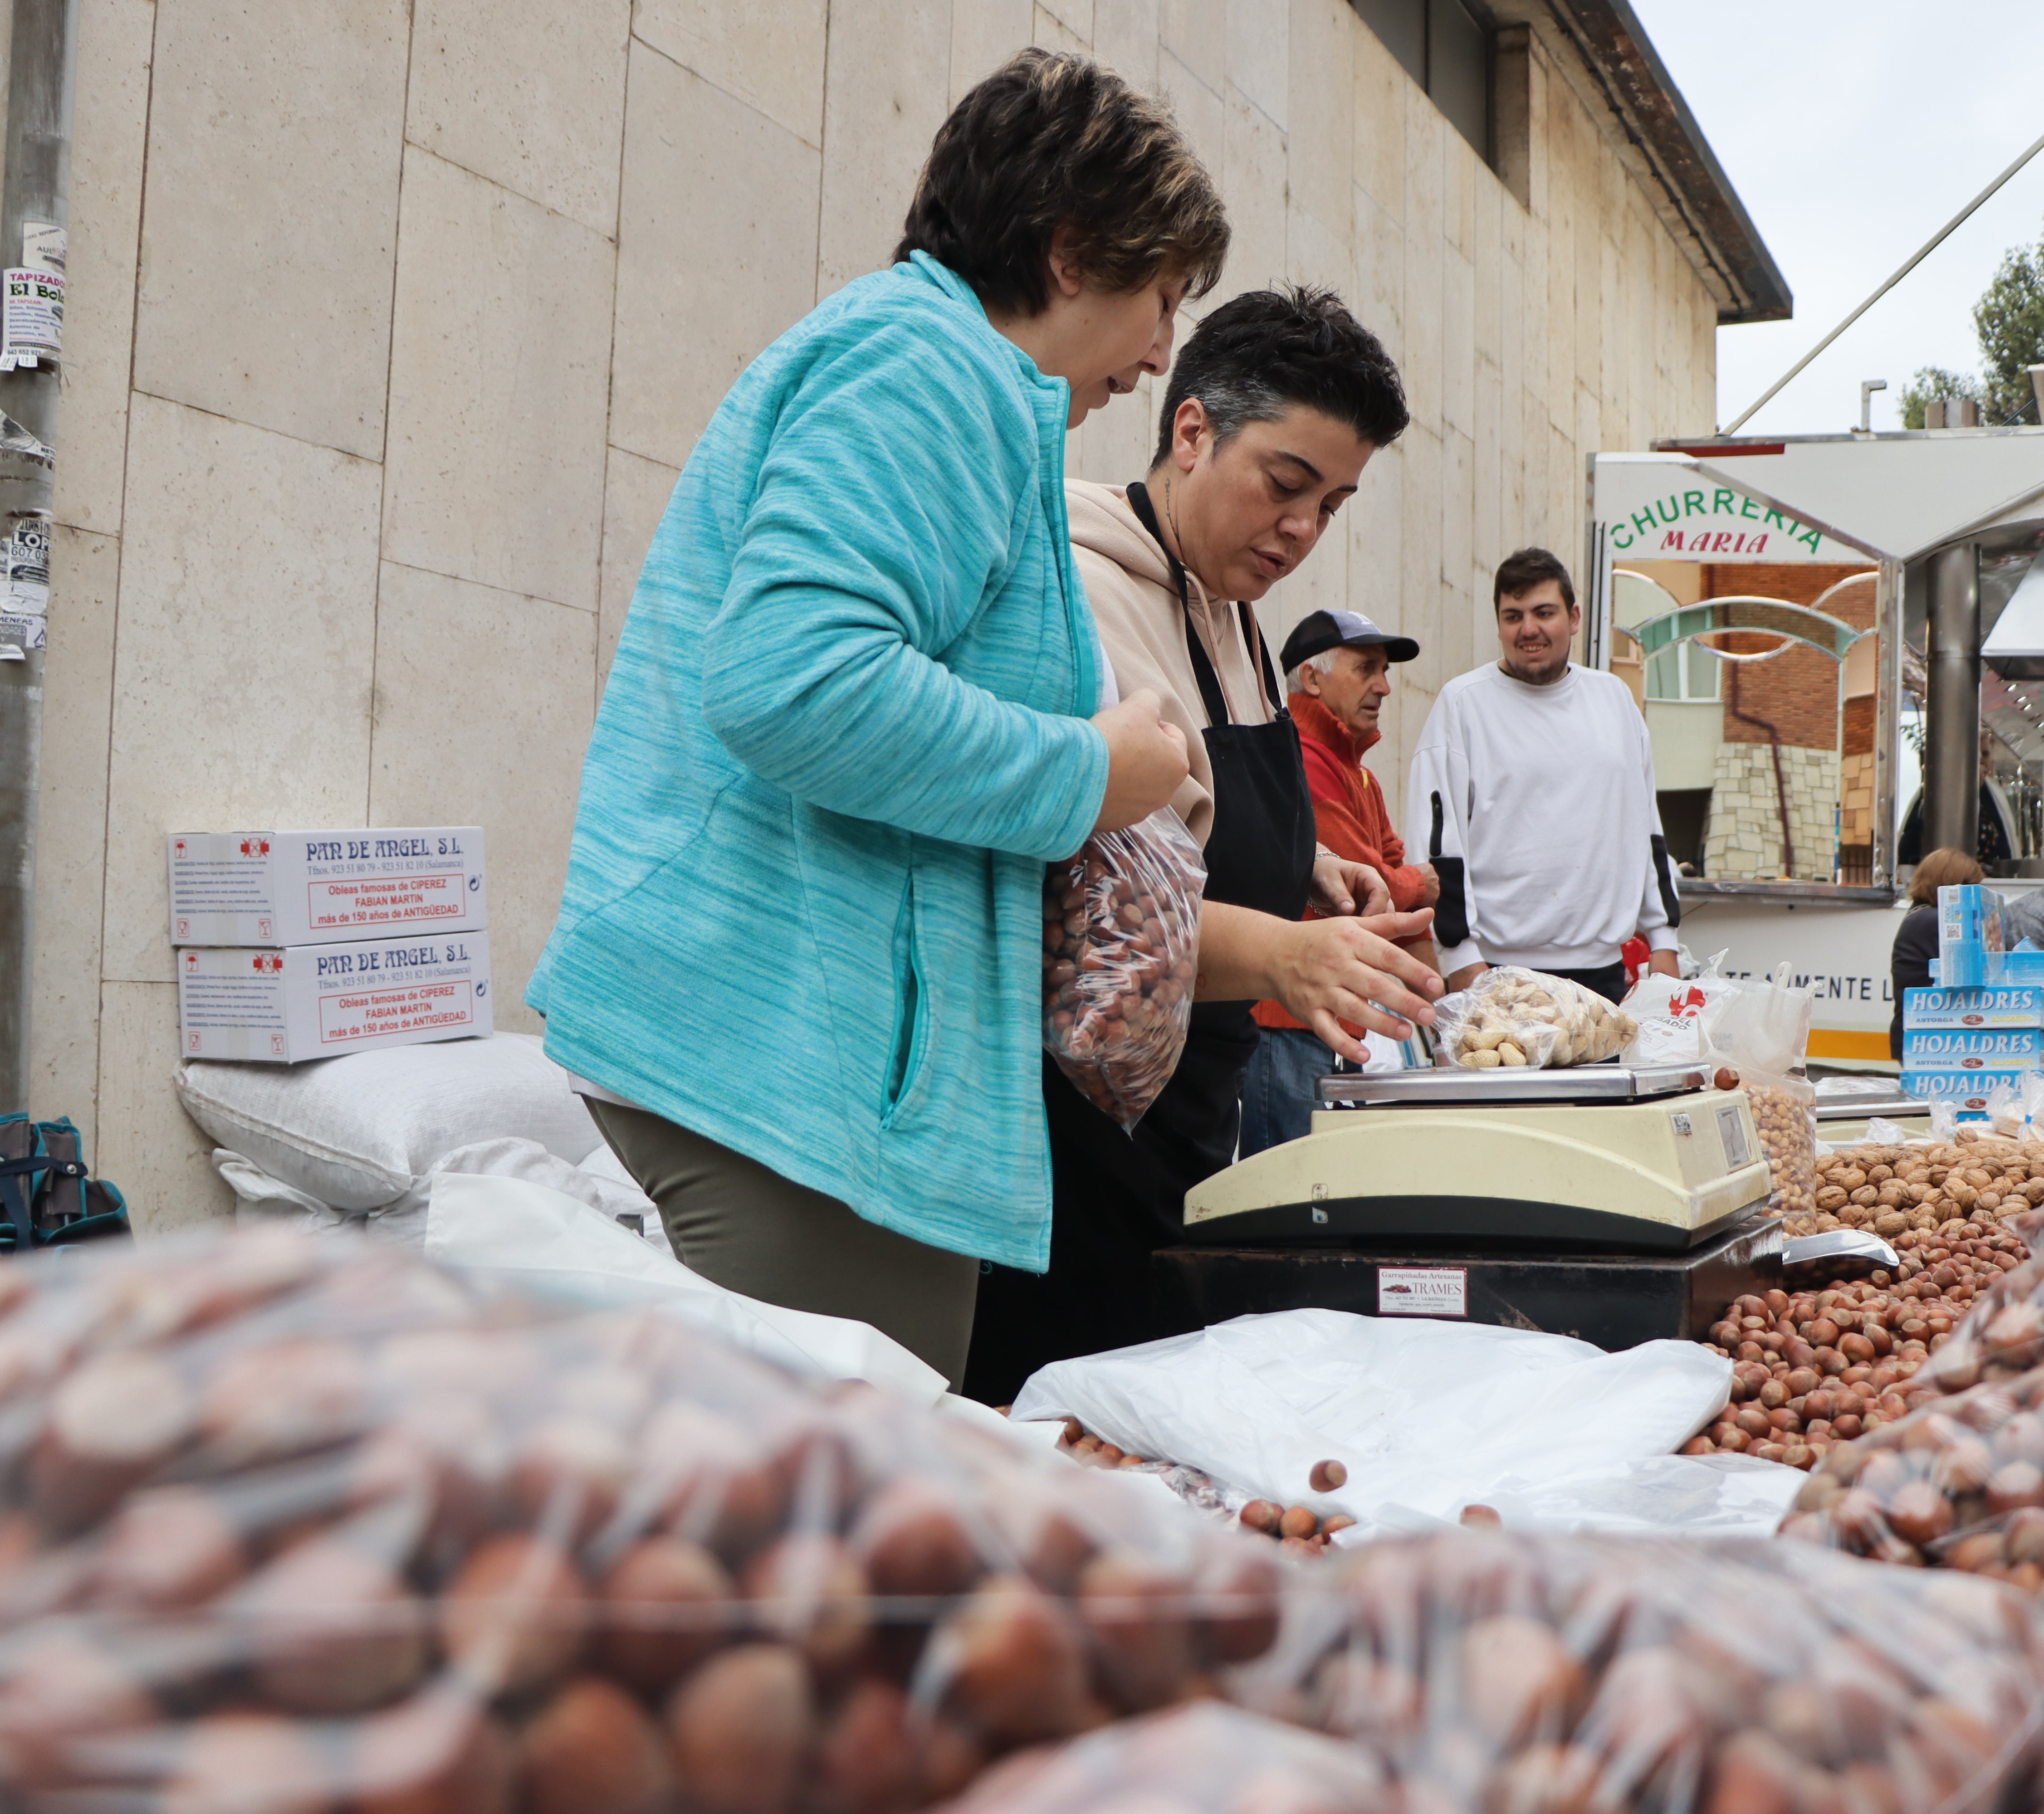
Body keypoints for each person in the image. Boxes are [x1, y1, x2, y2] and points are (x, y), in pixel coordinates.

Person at [528, 52, 1223, 1388]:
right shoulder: (929, 367)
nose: (1155, 354)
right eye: (1158, 300)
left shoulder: (948, 379)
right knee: (820, 1547)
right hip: (783, 1076)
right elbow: (792, 680)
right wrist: (1088, 771)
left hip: (807, 1072)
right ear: (1071, 252)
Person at [964, 287, 1441, 1403]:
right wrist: (1281, 955)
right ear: (1189, 431)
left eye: (1332, 504)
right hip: (1071, 1152)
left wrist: (1312, 867)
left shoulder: (1241, 621)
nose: (1301, 531)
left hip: (1195, 1129)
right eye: (1284, 486)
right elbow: (1090, 914)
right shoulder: (1075, 594)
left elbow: (1204, 818)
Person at [1408, 548, 1683, 1003]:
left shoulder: (1614, 699)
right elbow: (1438, 845)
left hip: (1603, 977)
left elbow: (1645, 828)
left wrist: (1664, 939)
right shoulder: (1463, 705)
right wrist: (1460, 959)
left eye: (1544, 612)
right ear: (1498, 625)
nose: (1528, 629)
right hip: (1496, 977)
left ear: (1574, 618)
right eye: (1513, 616)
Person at [1239, 606, 1441, 1153]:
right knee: (1289, 1196)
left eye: (1385, 671)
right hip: (1284, 1019)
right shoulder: (1301, 758)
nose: (1385, 687)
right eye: (1367, 668)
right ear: (1312, 678)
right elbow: (1372, 889)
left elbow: (1390, 871)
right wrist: (1419, 883)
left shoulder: (1356, 768)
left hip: (1318, 1016)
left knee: (1311, 1190)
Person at [1890, 848, 1986, 1061]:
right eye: (1971, 889)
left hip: (1922, 1035)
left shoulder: (1920, 915)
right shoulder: (1935, 921)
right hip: (1928, 1039)